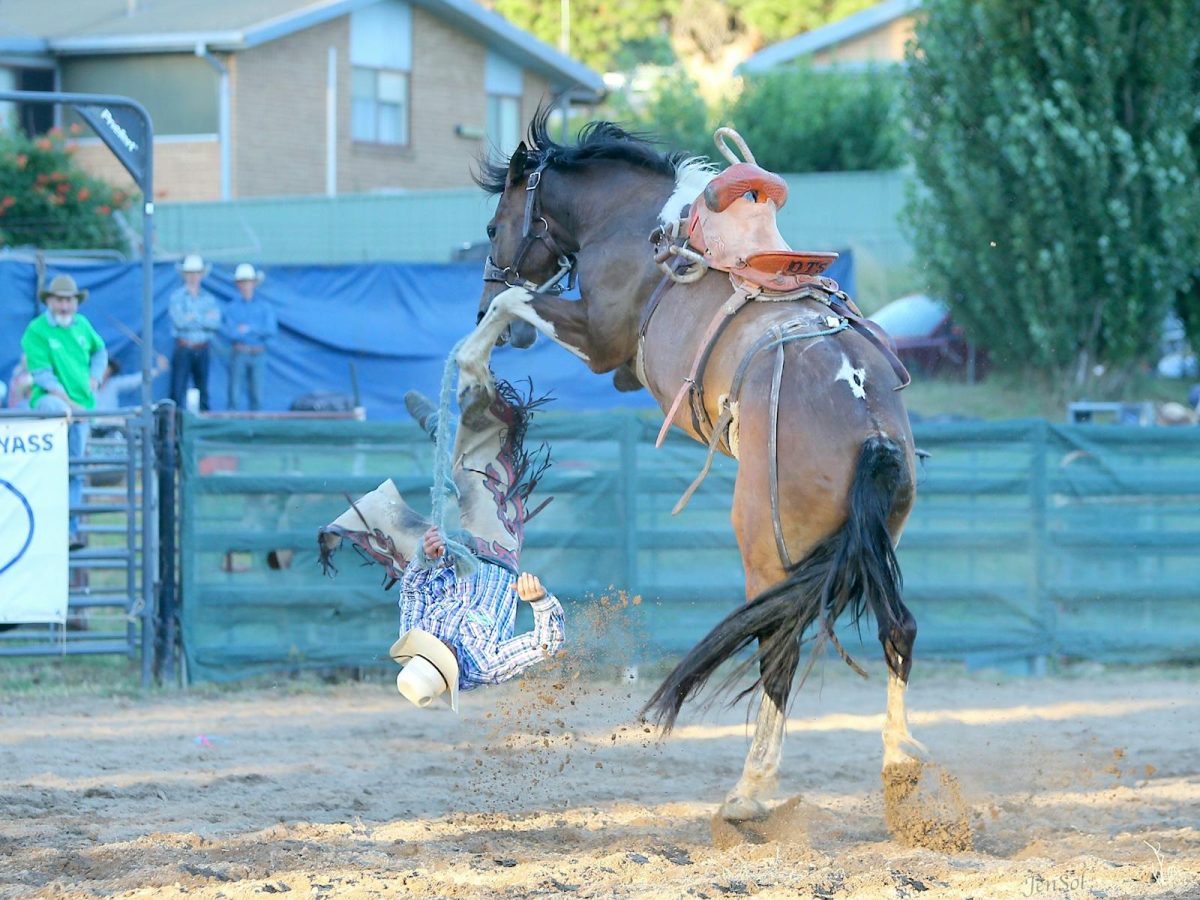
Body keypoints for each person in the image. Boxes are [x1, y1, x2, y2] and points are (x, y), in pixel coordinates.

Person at [318, 375, 564, 712]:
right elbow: (544, 645)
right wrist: (540, 601)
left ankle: (440, 429)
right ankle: (445, 430)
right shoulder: (485, 664)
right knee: (477, 476)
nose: (440, 643)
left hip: (444, 559)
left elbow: (414, 590)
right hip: (495, 553)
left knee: (390, 517)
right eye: (442, 654)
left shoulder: (417, 635)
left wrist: (424, 555)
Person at [20, 273, 108, 549]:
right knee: (57, 415)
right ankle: (49, 525)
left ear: (76, 302)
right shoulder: (36, 330)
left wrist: (95, 378)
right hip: (54, 403)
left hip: (82, 408)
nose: (65, 306)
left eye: (69, 300)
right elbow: (43, 378)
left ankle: (69, 529)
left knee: (75, 469)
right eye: (60, 300)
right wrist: (74, 408)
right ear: (50, 301)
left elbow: (100, 352)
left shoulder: (83, 326)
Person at [168, 254, 220, 412]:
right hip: (184, 347)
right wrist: (203, 317)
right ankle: (173, 430)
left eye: (196, 273)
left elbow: (214, 323)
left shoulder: (209, 298)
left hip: (202, 348)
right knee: (177, 390)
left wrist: (191, 316)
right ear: (184, 275)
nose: (193, 276)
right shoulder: (177, 297)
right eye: (190, 273)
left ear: (201, 275)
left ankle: (204, 427)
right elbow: (179, 321)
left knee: (203, 389)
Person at [222, 263, 276, 411]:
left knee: (257, 395)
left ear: (254, 283)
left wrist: (247, 328)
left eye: (248, 282)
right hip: (240, 352)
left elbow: (270, 330)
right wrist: (255, 329)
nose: (246, 286)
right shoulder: (231, 307)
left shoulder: (264, 307)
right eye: (243, 282)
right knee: (234, 395)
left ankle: (256, 430)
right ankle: (232, 427)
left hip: (258, 353)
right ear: (238, 285)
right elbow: (230, 332)